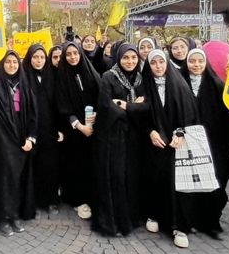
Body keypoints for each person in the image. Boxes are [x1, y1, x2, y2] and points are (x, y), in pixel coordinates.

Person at [181, 48, 229, 238]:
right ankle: (189, 220)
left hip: (213, 145)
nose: (196, 65)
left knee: (214, 182)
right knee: (189, 183)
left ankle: (211, 222)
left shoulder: (218, 86)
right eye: (192, 61)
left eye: (200, 61)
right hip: (186, 143)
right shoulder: (179, 84)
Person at [143, 49, 198, 248]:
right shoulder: (145, 86)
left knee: (179, 184)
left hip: (178, 145)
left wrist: (180, 133)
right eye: (153, 63)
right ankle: (154, 214)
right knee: (155, 179)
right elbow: (141, 116)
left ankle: (179, 226)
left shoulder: (180, 85)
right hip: (155, 144)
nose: (158, 66)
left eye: (161, 62)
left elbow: (190, 114)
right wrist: (150, 131)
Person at [91, 43, 148, 237]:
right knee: (115, 175)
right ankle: (114, 221)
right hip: (113, 136)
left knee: (132, 176)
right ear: (119, 58)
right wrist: (134, 108)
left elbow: (147, 107)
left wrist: (126, 106)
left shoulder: (142, 79)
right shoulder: (109, 77)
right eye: (125, 58)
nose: (130, 61)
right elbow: (106, 106)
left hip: (136, 138)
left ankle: (131, 218)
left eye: (133, 57)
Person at [0, 51, 37, 237]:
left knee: (16, 180)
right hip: (0, 140)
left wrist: (31, 137)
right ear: (2, 64)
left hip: (21, 140)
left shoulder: (25, 84)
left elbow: (33, 114)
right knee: (2, 179)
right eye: (8, 62)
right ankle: (1, 217)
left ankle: (13, 214)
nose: (12, 65)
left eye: (15, 62)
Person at [55, 42, 101, 219]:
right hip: (74, 131)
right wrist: (80, 126)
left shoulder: (90, 72)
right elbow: (62, 106)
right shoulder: (62, 76)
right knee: (76, 166)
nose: (73, 57)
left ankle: (92, 198)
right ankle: (78, 200)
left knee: (92, 165)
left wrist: (95, 118)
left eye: (76, 53)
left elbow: (101, 95)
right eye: (69, 54)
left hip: (93, 128)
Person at [23, 45, 62, 217]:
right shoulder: (23, 76)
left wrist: (60, 128)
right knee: (33, 167)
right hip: (30, 129)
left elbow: (59, 104)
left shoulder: (52, 76)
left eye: (41, 57)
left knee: (50, 166)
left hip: (50, 128)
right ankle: (35, 201)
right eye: (35, 57)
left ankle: (51, 200)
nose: (38, 61)